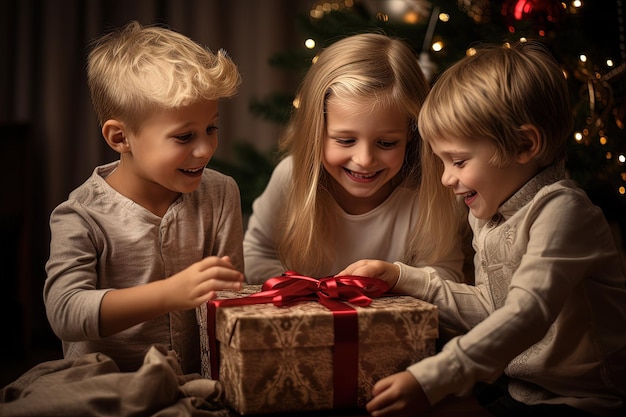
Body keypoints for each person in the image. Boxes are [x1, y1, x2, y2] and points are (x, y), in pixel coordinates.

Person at [339, 40, 626, 417]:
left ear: (524, 144)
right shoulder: (489, 215)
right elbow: (493, 309)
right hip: (519, 390)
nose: (446, 179)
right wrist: (400, 276)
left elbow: (526, 314)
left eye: (458, 161)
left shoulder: (563, 212)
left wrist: (433, 378)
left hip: (580, 402)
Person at [43, 21, 245, 375]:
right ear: (120, 137)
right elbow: (65, 312)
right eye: (184, 137)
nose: (205, 149)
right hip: (104, 389)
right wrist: (169, 293)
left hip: (197, 386)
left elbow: (231, 303)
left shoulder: (221, 193)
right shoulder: (80, 215)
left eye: (211, 129)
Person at [243, 32, 470, 283]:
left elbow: (446, 277)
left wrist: (396, 280)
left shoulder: (434, 189)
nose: (364, 160)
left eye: (386, 143)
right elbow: (255, 254)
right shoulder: (291, 175)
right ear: (316, 132)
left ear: (412, 133)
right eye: (345, 140)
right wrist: (311, 293)